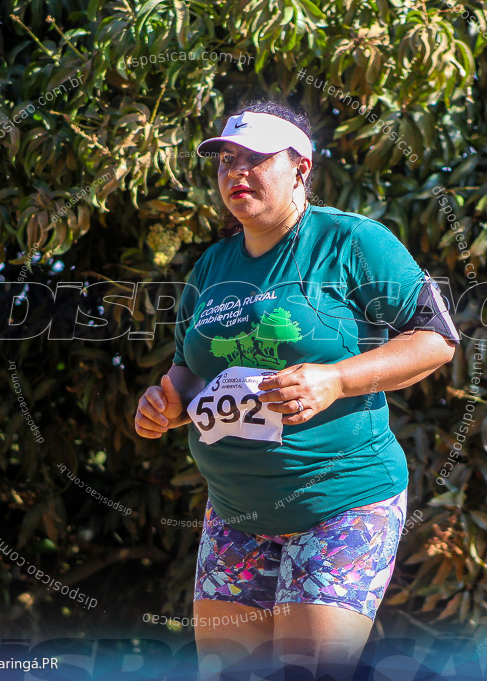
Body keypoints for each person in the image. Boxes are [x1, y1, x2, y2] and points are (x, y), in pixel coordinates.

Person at [133, 99, 459, 677]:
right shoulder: (212, 265)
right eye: (226, 160)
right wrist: (167, 401)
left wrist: (336, 378)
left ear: (301, 167)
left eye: (255, 159)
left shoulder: (351, 242)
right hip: (234, 513)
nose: (236, 172)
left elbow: (437, 338)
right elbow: (188, 365)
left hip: (341, 502)